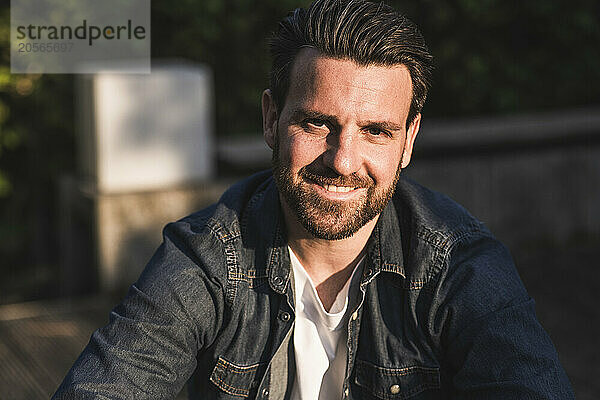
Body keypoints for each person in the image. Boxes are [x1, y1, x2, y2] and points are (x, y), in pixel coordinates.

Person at [54, 0, 574, 399]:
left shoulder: (458, 265)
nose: (343, 161)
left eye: (376, 131)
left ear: (409, 141)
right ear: (270, 119)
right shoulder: (205, 256)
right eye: (317, 123)